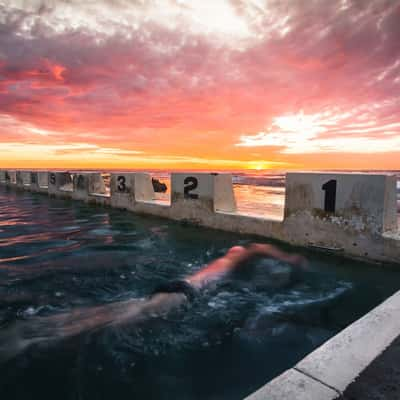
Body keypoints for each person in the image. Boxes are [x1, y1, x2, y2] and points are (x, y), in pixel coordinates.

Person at [0, 243, 306, 363]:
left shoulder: (224, 258)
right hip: (182, 294)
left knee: (121, 309)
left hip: (174, 288)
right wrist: (290, 258)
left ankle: (33, 329)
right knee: (118, 319)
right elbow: (262, 249)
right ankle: (35, 337)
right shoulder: (241, 256)